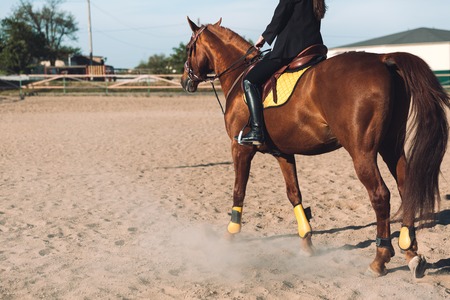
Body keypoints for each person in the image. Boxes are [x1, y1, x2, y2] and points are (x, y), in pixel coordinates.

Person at [237, 0, 327, 145]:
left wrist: (264, 37)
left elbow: (281, 14)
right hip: (314, 46)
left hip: (290, 48)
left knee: (249, 81)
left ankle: (256, 130)